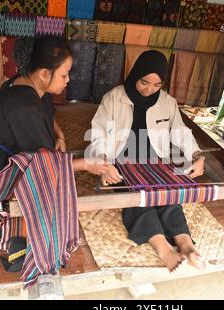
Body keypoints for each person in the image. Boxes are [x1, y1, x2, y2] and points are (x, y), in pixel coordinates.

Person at [0, 36, 115, 206]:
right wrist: (86, 164)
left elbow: (46, 112)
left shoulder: (28, 82)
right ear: (44, 73)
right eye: (64, 75)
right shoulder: (24, 108)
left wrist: (59, 134)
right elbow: (41, 165)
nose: (68, 80)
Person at [89, 50, 207, 271]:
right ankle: (164, 249)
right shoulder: (114, 98)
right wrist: (104, 164)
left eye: (156, 85)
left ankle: (186, 245)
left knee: (168, 196)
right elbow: (99, 134)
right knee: (139, 198)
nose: (149, 89)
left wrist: (198, 156)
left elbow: (180, 132)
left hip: (155, 162)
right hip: (121, 162)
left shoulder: (168, 103)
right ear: (135, 75)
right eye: (144, 82)